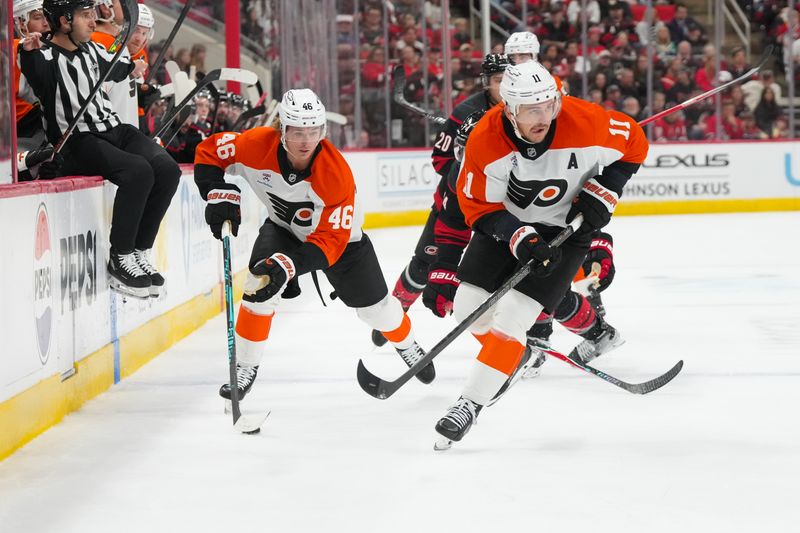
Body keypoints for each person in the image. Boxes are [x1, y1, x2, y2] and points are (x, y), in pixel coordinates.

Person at [434, 61, 648, 449]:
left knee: (514, 317)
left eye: (549, 105)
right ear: (508, 109)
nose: (543, 116)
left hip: (567, 233)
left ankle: (470, 403)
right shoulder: (485, 138)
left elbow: (635, 141)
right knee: (467, 306)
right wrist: (515, 234)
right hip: (505, 225)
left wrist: (607, 189)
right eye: (531, 110)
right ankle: (506, 360)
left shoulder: (587, 121)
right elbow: (477, 208)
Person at [193, 88, 436, 401]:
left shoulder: (335, 174)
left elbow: (330, 242)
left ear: (323, 130)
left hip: (343, 244)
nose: (306, 141)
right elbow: (210, 151)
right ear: (282, 129)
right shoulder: (255, 145)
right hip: (283, 230)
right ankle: (245, 367)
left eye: (313, 132)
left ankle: (407, 344)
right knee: (258, 285)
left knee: (377, 313)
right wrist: (216, 191)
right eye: (297, 132)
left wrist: (291, 265)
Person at [19, 0, 181, 298]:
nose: (93, 22)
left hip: (113, 130)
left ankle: (139, 252)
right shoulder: (42, 55)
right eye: (84, 16)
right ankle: (120, 257)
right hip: (76, 142)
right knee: (137, 172)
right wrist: (27, 51)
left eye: (93, 15)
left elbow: (120, 67)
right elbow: (34, 70)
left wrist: (133, 67)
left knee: (167, 170)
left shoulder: (93, 49)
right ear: (64, 21)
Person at [369, 54, 509, 347]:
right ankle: (396, 313)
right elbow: (441, 159)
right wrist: (470, 177)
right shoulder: (465, 112)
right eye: (498, 80)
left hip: (499, 206)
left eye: (508, 79)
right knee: (425, 263)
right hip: (454, 202)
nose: (505, 86)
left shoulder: (521, 109)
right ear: (486, 84)